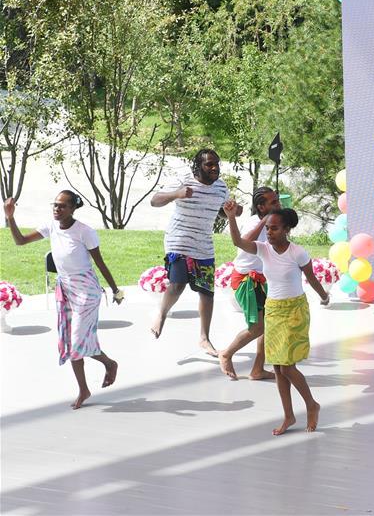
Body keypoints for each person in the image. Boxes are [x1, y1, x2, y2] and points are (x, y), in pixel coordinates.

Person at [4, 191, 124, 409]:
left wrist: (116, 290)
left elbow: (100, 263)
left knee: (77, 341)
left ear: (72, 209)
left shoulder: (85, 232)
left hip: (87, 291)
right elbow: (20, 241)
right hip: (65, 288)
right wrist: (10, 216)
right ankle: (85, 388)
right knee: (71, 342)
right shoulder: (50, 226)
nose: (56, 209)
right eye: (55, 205)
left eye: (62, 206)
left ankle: (109, 364)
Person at [223, 200, 330, 435]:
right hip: (273, 310)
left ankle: (311, 405)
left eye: (274, 228)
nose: (269, 232)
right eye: (268, 228)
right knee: (278, 368)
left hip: (295, 311)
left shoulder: (297, 252)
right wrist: (231, 217)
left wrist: (324, 296)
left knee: (287, 367)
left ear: (287, 230)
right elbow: (238, 242)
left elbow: (311, 278)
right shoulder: (263, 249)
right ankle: (289, 416)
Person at [150, 149, 237, 356]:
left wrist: (232, 211)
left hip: (203, 244)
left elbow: (222, 212)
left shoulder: (221, 187)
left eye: (217, 163)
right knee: (177, 284)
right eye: (209, 164)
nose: (215, 168)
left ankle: (204, 339)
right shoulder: (184, 180)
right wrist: (177, 194)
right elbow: (155, 201)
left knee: (207, 293)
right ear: (198, 166)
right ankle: (162, 314)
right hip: (178, 240)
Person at [217, 186, 281, 381]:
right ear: (261, 207)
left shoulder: (274, 223)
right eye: (273, 202)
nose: (278, 204)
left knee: (267, 325)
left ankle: (257, 369)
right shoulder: (253, 222)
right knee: (257, 328)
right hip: (246, 280)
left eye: (277, 200)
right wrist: (264, 221)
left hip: (263, 279)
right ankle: (227, 353)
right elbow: (243, 241)